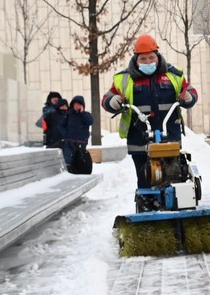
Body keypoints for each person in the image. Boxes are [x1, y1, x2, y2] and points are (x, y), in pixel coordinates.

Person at [101, 33, 199, 188]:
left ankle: (175, 205)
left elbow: (191, 92)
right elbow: (107, 98)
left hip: (169, 137)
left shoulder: (173, 75)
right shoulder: (125, 79)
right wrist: (113, 102)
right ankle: (146, 205)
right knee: (145, 179)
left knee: (172, 178)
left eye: (151, 58)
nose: (148, 62)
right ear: (136, 59)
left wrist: (188, 97)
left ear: (158, 56)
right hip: (139, 139)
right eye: (143, 59)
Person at [61, 95, 95, 169]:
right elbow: (61, 126)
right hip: (69, 142)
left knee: (80, 160)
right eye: (75, 104)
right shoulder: (68, 114)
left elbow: (90, 121)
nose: (77, 106)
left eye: (79, 104)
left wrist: (82, 113)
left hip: (81, 142)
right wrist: (66, 135)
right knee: (68, 160)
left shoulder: (86, 114)